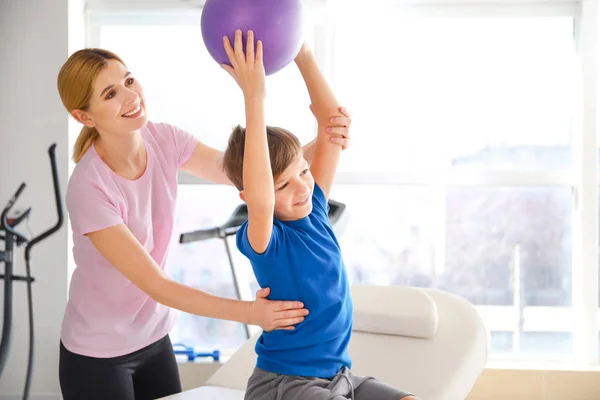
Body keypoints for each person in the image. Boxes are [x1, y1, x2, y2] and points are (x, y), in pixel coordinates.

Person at [55, 48, 353, 400]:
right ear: (84, 116)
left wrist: (324, 141)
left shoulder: (163, 139)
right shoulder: (89, 187)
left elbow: (244, 174)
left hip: (154, 338)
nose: (131, 96)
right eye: (110, 93)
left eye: (129, 80)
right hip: (97, 353)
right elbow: (157, 285)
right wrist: (251, 313)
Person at [220, 30, 418, 400]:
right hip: (284, 386)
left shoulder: (316, 213)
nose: (302, 188)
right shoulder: (265, 239)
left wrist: (302, 53)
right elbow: (261, 200)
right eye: (283, 185)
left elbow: (332, 125)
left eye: (304, 171)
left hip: (340, 377)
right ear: (253, 194)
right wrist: (254, 94)